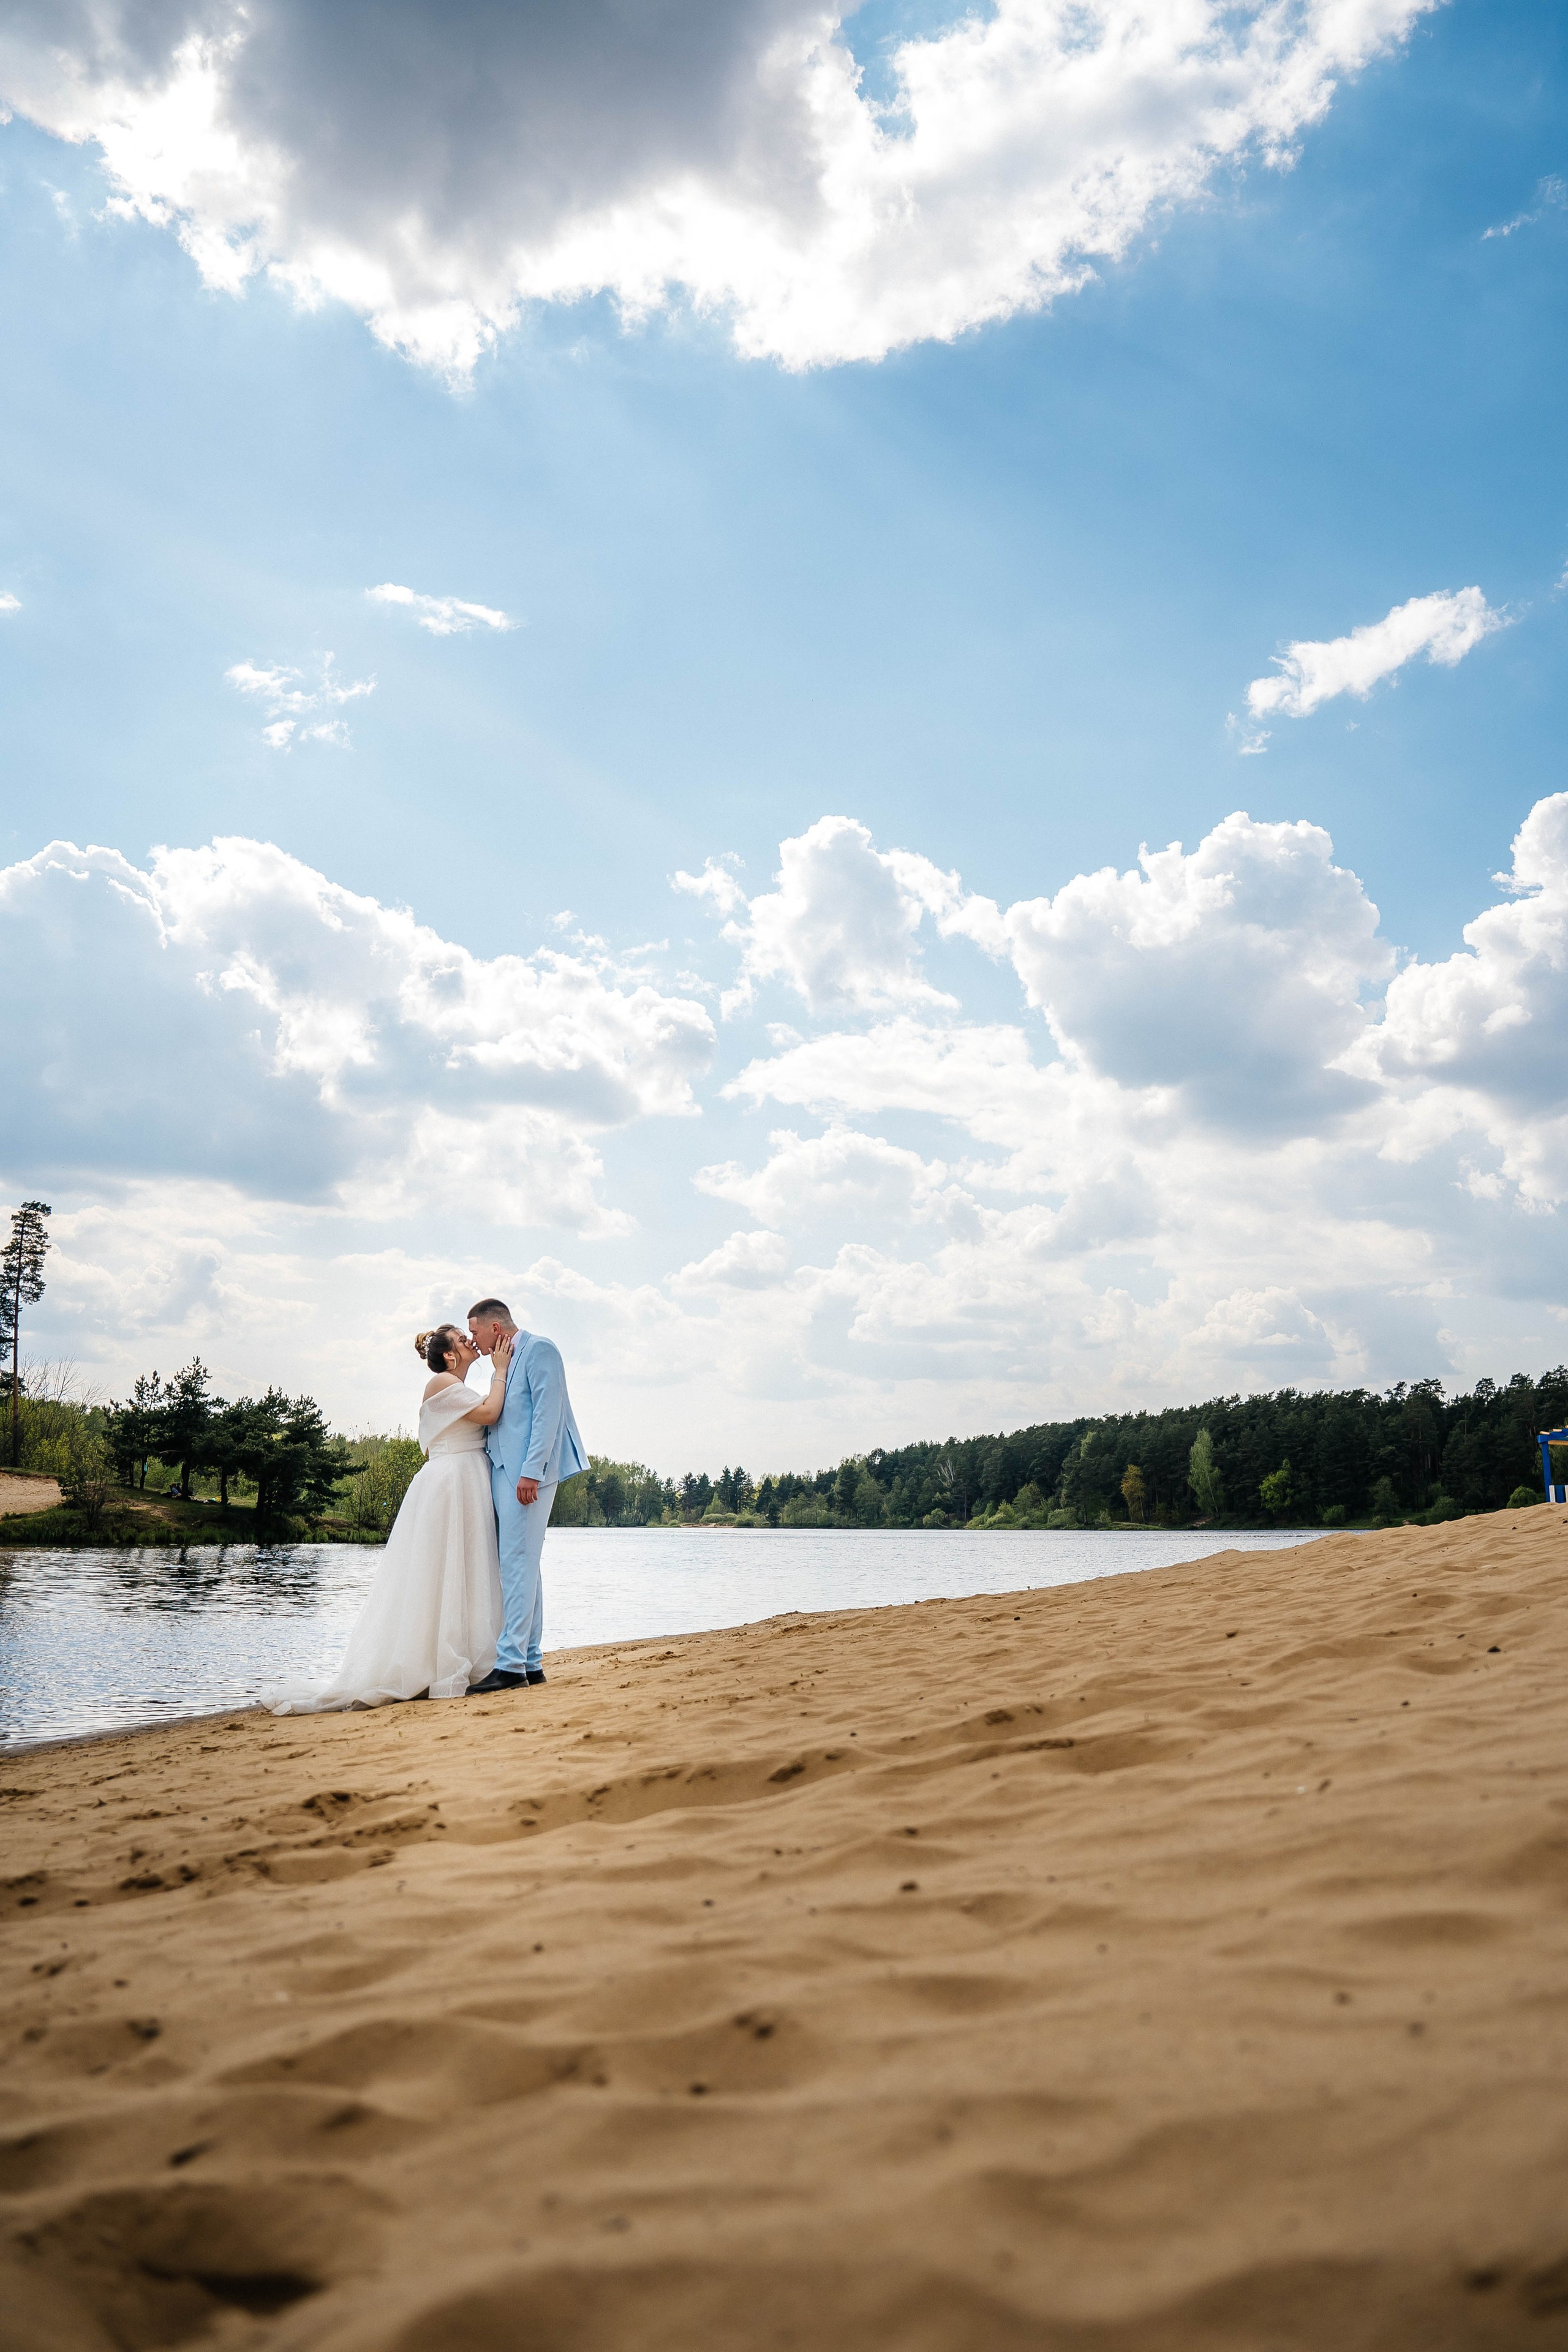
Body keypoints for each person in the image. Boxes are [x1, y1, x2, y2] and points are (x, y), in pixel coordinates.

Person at [263, 1324, 513, 1713]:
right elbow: (490, 1411)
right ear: (449, 1355)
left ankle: (472, 1654)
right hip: (450, 1483)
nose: (469, 1342)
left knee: (465, 1567)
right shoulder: (441, 1382)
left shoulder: (455, 1385)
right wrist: (500, 1369)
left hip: (465, 1479)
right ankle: (431, 1662)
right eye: (463, 1340)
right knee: (440, 1570)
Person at [464, 1295, 586, 1695]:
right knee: (521, 1565)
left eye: (475, 1331)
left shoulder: (540, 1350)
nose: (473, 1340)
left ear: (494, 1328)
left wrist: (532, 1471)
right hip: (502, 1471)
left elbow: (547, 1415)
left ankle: (511, 1665)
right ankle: (530, 1662)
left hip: (527, 1477)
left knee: (518, 1563)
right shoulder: (503, 1362)